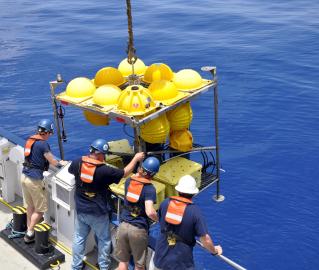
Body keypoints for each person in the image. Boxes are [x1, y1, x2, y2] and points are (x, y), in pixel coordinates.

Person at [68, 138, 145, 270]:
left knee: (79, 238)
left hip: (81, 209)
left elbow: (70, 171)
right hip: (98, 213)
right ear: (99, 154)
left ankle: (76, 266)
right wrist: (136, 158)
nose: (104, 157)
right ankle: (103, 267)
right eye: (103, 154)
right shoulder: (104, 171)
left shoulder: (77, 162)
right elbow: (125, 173)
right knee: (104, 240)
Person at [153, 175, 223, 270]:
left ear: (178, 190)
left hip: (159, 260)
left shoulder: (165, 203)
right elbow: (205, 239)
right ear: (193, 193)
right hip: (180, 264)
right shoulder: (195, 212)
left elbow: (160, 221)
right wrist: (214, 251)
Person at [21, 119, 67, 244]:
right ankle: (30, 233)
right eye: (50, 133)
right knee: (40, 210)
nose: (50, 135)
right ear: (46, 132)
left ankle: (28, 228)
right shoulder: (43, 144)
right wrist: (61, 164)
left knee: (30, 206)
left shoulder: (30, 140)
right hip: (34, 180)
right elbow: (52, 161)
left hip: (24, 176)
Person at [115, 157, 160, 270]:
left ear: (141, 168)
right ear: (153, 174)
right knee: (139, 266)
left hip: (123, 226)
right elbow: (149, 212)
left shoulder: (129, 181)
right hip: (138, 230)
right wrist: (158, 219)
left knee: (123, 262)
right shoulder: (150, 189)